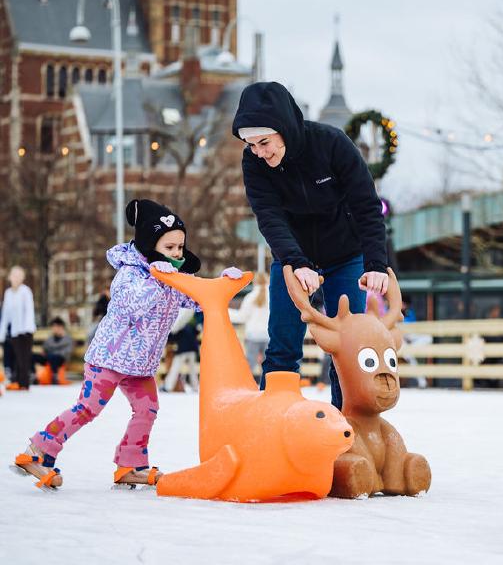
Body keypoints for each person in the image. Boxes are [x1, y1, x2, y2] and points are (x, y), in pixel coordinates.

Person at [11, 199, 242, 490]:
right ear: (149, 244)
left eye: (180, 248)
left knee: (148, 409)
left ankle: (130, 464)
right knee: (88, 408)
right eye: (169, 248)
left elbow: (196, 298)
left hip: (140, 365)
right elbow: (135, 305)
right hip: (109, 358)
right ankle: (38, 451)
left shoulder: (171, 276)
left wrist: (224, 284)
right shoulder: (130, 274)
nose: (176, 254)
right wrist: (161, 280)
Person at [233, 81, 389, 410]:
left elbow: (366, 206)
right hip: (292, 259)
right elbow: (269, 216)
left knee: (346, 344)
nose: (260, 152)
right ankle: (274, 425)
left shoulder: (331, 144)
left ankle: (346, 427)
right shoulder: (254, 163)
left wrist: (375, 263)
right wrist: (295, 261)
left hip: (346, 256)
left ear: (284, 129)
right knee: (283, 344)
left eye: (264, 142)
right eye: (251, 145)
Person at [0, 266, 36, 391]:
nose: (15, 278)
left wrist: (26, 329)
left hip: (26, 330)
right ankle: (18, 382)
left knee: (24, 358)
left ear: (22, 278)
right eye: (13, 275)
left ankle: (24, 384)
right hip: (15, 330)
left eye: (18, 275)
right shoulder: (8, 293)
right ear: (10, 277)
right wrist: (2, 332)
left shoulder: (25, 291)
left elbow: (29, 311)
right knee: (16, 357)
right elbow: (6, 314)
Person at [228, 271, 270, 378]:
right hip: (268, 336)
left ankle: (244, 386)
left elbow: (242, 317)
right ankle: (268, 388)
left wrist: (226, 311)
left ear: (255, 282)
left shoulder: (250, 297)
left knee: (249, 365)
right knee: (269, 366)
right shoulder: (273, 296)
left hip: (253, 335)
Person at [161, 308, 200, 392]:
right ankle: (195, 387)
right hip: (192, 349)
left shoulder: (178, 326)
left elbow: (172, 337)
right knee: (192, 370)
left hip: (183, 349)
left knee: (175, 368)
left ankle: (168, 387)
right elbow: (197, 332)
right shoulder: (189, 325)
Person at [32, 317, 73, 385]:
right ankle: (33, 375)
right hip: (49, 357)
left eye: (55, 327)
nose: (54, 329)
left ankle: (54, 376)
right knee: (33, 356)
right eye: (53, 327)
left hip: (60, 359)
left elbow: (67, 352)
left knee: (54, 357)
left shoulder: (68, 339)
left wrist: (53, 353)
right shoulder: (50, 339)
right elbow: (45, 349)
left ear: (61, 327)